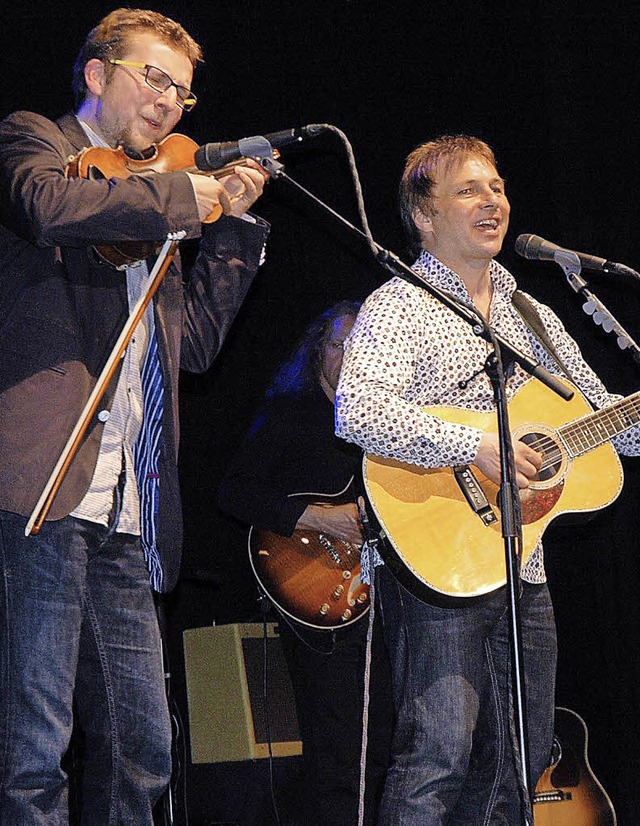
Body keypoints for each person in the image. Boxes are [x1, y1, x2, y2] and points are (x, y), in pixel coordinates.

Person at [0, 8, 270, 824]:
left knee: (143, 748)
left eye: (183, 94)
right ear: (96, 73)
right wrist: (181, 195)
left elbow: (193, 350)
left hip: (127, 503)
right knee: (36, 743)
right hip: (43, 488)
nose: (169, 103)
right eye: (155, 78)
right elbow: (47, 208)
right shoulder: (35, 140)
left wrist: (234, 226)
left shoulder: (162, 201)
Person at [334, 134, 640, 824]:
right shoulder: (399, 305)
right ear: (424, 215)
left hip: (523, 566)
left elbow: (605, 422)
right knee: (436, 758)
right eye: (469, 189)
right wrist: (476, 442)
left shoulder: (535, 315)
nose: (492, 200)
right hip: (439, 556)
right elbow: (357, 408)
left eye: (497, 186)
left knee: (521, 763)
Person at [218, 301, 394, 826]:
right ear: (318, 350)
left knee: (389, 741)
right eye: (342, 345)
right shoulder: (292, 414)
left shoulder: (392, 427)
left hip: (385, 596)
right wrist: (316, 516)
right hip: (317, 590)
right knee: (337, 747)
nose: (352, 357)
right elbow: (232, 492)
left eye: (366, 349)